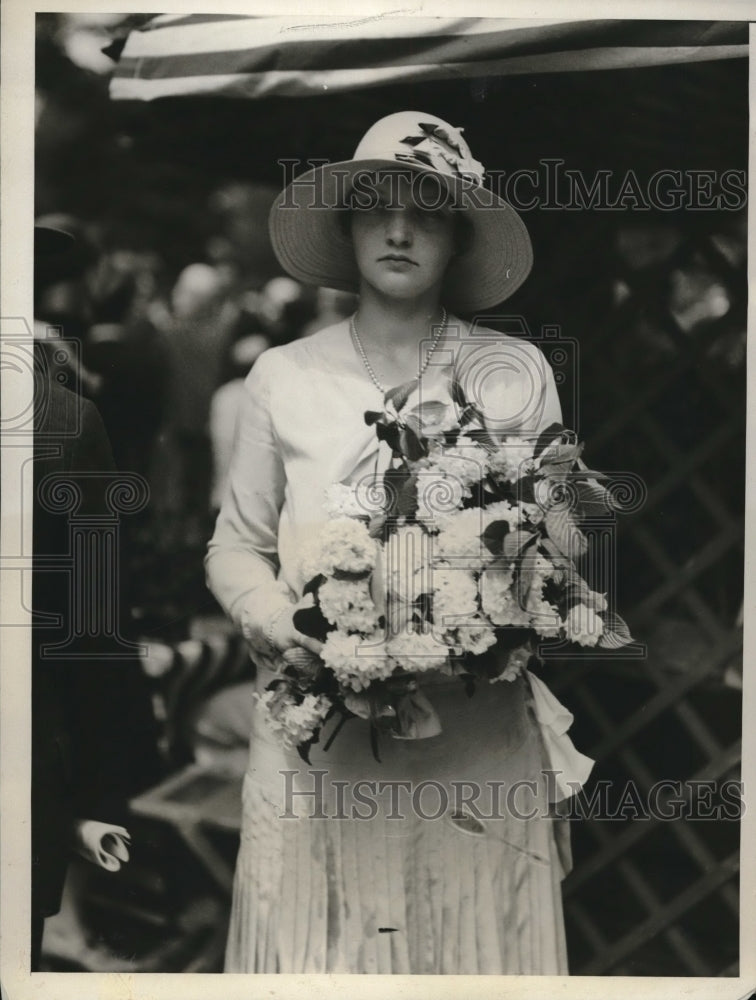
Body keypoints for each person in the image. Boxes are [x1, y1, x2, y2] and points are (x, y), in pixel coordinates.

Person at [206, 112, 587, 974]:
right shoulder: (283, 376)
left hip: (471, 741)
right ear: (347, 227)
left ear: (459, 238)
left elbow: (561, 548)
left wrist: (491, 591)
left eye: (431, 208)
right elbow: (233, 547)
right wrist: (281, 622)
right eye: (376, 205)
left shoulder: (516, 373)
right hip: (321, 747)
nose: (401, 228)